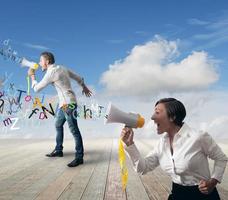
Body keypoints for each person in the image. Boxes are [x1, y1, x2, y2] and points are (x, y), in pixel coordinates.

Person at [121, 98, 228, 200]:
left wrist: (213, 182)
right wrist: (130, 144)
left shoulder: (198, 137)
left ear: (172, 117)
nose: (152, 117)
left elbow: (221, 158)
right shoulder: (162, 143)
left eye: (157, 113)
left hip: (202, 195)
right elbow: (142, 168)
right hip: (177, 194)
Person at [28, 51, 92, 167]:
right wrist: (84, 87)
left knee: (74, 130)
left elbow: (37, 89)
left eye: (40, 61)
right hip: (66, 103)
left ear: (47, 62)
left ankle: (79, 157)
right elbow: (78, 78)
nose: (39, 63)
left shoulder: (50, 73)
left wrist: (32, 76)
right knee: (58, 124)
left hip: (68, 105)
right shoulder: (62, 68)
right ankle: (58, 150)